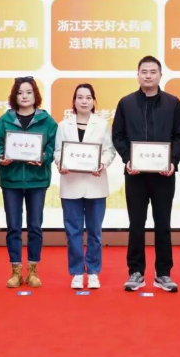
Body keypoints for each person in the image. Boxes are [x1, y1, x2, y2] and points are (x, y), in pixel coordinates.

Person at [112, 55, 180, 292]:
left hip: (164, 175)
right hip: (135, 174)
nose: (148, 76)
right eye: (144, 71)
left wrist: (173, 161)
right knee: (136, 224)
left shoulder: (173, 103)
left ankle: (163, 273)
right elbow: (118, 136)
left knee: (163, 224)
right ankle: (135, 272)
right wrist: (128, 159)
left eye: (153, 72)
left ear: (160, 75)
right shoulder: (126, 103)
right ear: (137, 75)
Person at [0, 77, 57, 288]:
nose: (24, 96)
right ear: (14, 96)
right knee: (13, 227)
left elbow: (53, 146)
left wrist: (44, 157)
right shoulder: (4, 120)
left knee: (35, 226)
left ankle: (32, 271)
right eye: (20, 92)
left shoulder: (47, 121)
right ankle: (15, 271)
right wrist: (0, 156)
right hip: (11, 180)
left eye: (29, 92)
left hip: (37, 180)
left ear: (35, 95)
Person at [54, 83, 116, 289]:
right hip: (70, 183)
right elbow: (57, 151)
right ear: (74, 101)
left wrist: (102, 164)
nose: (84, 101)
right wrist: (60, 163)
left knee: (95, 232)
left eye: (88, 97)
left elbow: (109, 151)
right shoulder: (63, 125)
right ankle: (77, 272)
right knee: (73, 232)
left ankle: (94, 272)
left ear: (93, 101)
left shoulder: (102, 124)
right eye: (80, 97)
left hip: (95, 184)